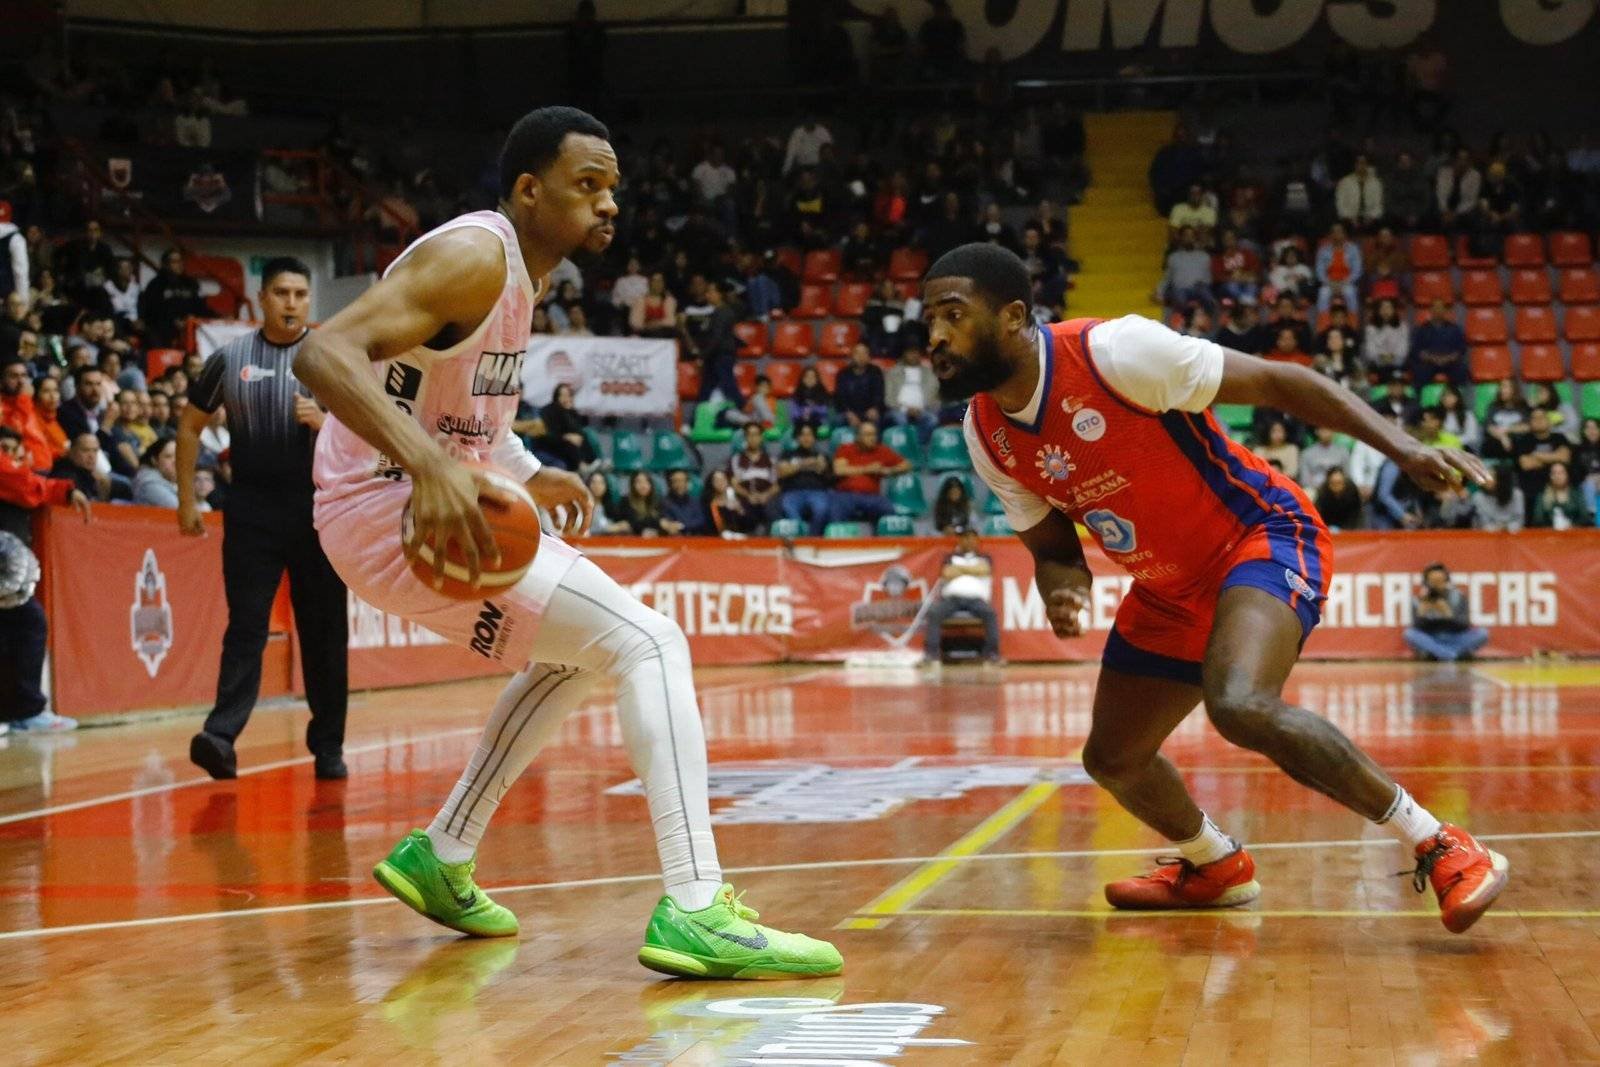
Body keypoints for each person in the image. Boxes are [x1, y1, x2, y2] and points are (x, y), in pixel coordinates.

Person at [294, 107, 837, 976]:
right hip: (394, 508)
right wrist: (429, 467)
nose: (608, 204)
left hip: (402, 508)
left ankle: (444, 851)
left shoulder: (520, 281)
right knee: (650, 643)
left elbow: (460, 413)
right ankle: (697, 905)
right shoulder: (475, 255)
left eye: (613, 188)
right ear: (527, 189)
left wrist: (527, 468)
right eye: (588, 185)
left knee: (578, 654)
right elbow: (322, 353)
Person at [924, 241, 1505, 931]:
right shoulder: (985, 434)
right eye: (929, 321)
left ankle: (1442, 842)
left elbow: (1279, 382)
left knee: (1239, 704)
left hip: (1258, 535)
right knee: (1112, 758)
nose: (935, 337)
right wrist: (1062, 587)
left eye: (952, 316)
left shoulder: (1116, 354)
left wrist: (1402, 447)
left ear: (1014, 315)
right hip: (1168, 589)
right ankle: (1213, 861)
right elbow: (1054, 549)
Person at [176, 258, 349, 781]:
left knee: (324, 634)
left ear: (309, 300)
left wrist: (328, 424)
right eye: (281, 293)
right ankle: (220, 737)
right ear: (263, 297)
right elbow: (189, 428)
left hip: (318, 511)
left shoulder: (331, 358)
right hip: (250, 509)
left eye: (300, 293)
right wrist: (187, 501)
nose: (291, 302)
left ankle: (328, 748)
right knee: (245, 626)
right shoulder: (230, 358)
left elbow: (371, 434)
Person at [922, 525, 1001, 664]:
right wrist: (972, 570)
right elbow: (947, 573)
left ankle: (991, 654)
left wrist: (959, 569)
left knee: (990, 613)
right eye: (965, 537)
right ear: (959, 540)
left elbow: (984, 570)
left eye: (971, 537)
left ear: (977, 540)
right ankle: (931, 654)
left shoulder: (984, 557)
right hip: (952, 599)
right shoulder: (950, 557)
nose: (968, 541)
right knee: (934, 612)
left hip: (976, 600)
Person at [829, 420, 908, 527]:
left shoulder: (882, 450)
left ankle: (884, 543)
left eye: (874, 434)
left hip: (872, 496)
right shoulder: (846, 449)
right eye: (868, 435)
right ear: (858, 437)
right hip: (846, 494)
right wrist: (867, 469)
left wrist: (888, 470)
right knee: (836, 510)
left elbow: (906, 465)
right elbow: (839, 470)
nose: (872, 438)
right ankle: (839, 542)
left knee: (888, 510)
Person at [1403, 563, 1488, 662]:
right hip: (1432, 638)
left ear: (1446, 580)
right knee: (1409, 634)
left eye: (1440, 581)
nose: (1436, 585)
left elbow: (1465, 624)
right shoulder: (1418, 601)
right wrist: (1422, 615)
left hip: (1455, 637)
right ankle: (1453, 655)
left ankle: (1439, 654)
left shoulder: (1458, 597)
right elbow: (1416, 627)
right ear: (1426, 582)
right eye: (1433, 581)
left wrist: (1448, 615)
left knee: (1482, 633)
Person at [139, 248, 214, 347]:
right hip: (165, 327)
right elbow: (153, 311)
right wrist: (174, 321)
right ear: (165, 264)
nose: (179, 265)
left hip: (190, 324)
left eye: (180, 261)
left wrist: (220, 317)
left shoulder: (191, 283)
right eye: (174, 262)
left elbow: (201, 307)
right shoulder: (155, 285)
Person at [777, 422, 833, 536]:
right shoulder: (788, 454)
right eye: (803, 435)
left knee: (821, 510)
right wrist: (805, 463)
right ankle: (800, 539)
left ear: (814, 438)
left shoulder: (822, 455)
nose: (806, 438)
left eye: (809, 435)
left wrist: (819, 466)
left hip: (817, 492)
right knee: (789, 510)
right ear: (797, 438)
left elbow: (826, 472)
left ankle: (812, 539)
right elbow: (782, 472)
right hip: (793, 492)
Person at [728, 422, 779, 532]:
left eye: (756, 435)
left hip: (766, 498)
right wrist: (748, 496)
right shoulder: (736, 459)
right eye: (750, 435)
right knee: (741, 511)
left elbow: (776, 485)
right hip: (745, 498)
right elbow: (734, 484)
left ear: (761, 437)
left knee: (772, 511)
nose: (753, 438)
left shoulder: (770, 460)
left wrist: (765, 495)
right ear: (745, 438)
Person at [884, 345, 938, 441]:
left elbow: (934, 394)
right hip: (899, 409)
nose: (913, 356)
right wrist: (905, 408)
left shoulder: (929, 373)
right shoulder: (893, 372)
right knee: (901, 421)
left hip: (923, 409)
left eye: (916, 353)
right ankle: (908, 448)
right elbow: (888, 397)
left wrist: (920, 408)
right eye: (910, 353)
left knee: (932, 420)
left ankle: (919, 448)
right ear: (904, 354)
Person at [834, 342, 886, 429]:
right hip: (849, 412)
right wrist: (849, 413)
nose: (861, 356)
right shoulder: (843, 373)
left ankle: (874, 442)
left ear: (869, 357)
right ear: (852, 356)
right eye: (857, 353)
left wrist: (875, 408)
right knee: (838, 419)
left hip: (870, 412)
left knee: (876, 418)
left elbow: (879, 393)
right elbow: (840, 397)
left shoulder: (876, 371)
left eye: (864, 353)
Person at [1314, 222, 1362, 312]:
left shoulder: (1353, 249)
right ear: (1330, 235)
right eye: (1333, 232)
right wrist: (1329, 283)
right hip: (1329, 283)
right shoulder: (1323, 250)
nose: (1336, 235)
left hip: (1347, 282)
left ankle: (1352, 324)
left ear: (1345, 234)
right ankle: (1323, 325)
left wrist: (1345, 282)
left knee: (1350, 294)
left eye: (1339, 232)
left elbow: (1357, 270)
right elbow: (1319, 271)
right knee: (1323, 294)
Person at [1530, 461, 1592, 529]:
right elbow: (1537, 520)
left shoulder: (1577, 494)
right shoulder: (1542, 495)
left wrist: (1571, 527)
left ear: (1567, 475)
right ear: (1550, 476)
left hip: (1574, 534)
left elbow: (1585, 518)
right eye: (1554, 473)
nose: (1557, 476)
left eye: (1561, 472)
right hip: (1549, 536)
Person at [1334, 154, 1383, 230]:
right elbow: (1340, 204)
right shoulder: (1344, 182)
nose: (1361, 166)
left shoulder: (1376, 183)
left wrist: (1371, 217)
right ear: (1355, 165)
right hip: (1349, 217)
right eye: (1359, 163)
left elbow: (1379, 204)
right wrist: (1350, 218)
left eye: (1364, 163)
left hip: (1370, 217)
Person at [1470, 463, 1524, 532]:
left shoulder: (1517, 494)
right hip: (1487, 536)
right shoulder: (1478, 497)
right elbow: (1482, 524)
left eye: (1491, 477)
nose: (1486, 480)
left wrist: (1507, 527)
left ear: (1502, 479)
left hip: (1511, 534)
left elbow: (1519, 521)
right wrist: (1496, 528)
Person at [132, 437, 180, 507]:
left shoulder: (172, 479)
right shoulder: (149, 483)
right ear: (154, 460)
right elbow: (183, 511)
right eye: (168, 456)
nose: (176, 461)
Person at [659, 469, 706, 536]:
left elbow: (700, 520)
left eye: (682, 481)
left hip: (695, 538)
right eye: (675, 481)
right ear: (670, 484)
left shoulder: (695, 501)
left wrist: (683, 526)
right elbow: (669, 523)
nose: (679, 484)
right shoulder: (664, 502)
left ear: (687, 483)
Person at [618, 470, 664, 535]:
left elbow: (662, 523)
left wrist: (658, 532)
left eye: (646, 482)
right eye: (638, 482)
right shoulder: (626, 501)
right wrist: (642, 531)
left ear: (651, 485)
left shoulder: (657, 501)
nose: (643, 485)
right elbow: (629, 523)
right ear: (632, 485)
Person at [789, 364, 833, 429]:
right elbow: (794, 416)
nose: (810, 379)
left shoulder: (824, 395)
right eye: (807, 376)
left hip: (821, 425)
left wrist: (813, 409)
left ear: (817, 380)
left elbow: (826, 415)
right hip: (801, 426)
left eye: (813, 377)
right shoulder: (796, 396)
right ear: (802, 379)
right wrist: (804, 416)